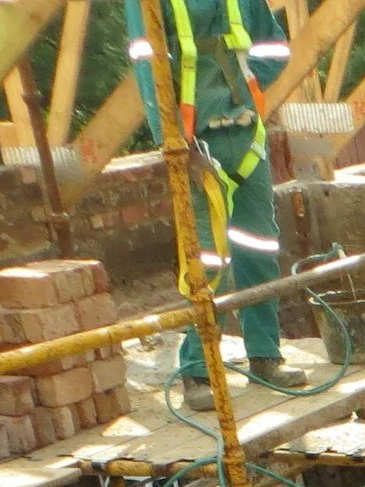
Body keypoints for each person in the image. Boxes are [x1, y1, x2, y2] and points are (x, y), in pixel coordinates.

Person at [125, 0, 310, 408]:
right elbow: (147, 68)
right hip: (195, 142)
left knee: (259, 248)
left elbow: (274, 47)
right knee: (206, 259)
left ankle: (265, 355)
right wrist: (173, 142)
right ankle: (198, 369)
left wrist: (250, 86)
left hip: (246, 135)